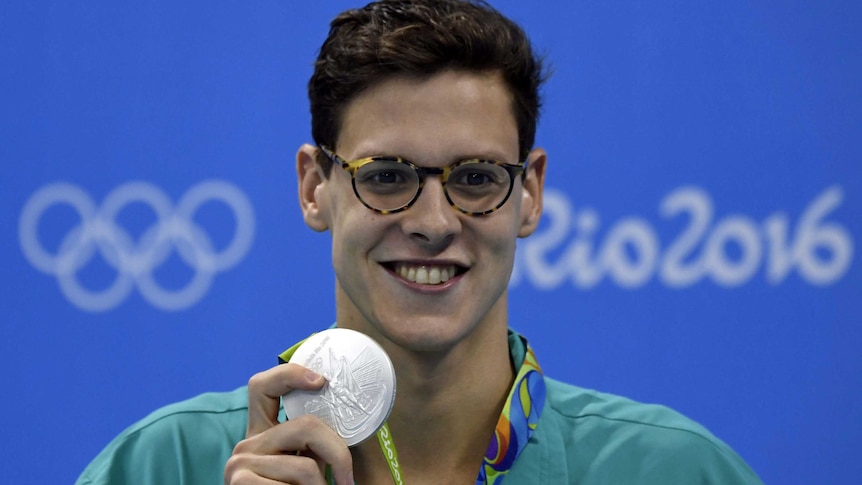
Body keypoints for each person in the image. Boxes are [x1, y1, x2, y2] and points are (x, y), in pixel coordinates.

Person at [76, 1, 764, 484]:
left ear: (529, 193)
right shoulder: (159, 465)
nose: (434, 221)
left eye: (475, 176)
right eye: (387, 175)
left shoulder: (678, 470)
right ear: (315, 187)